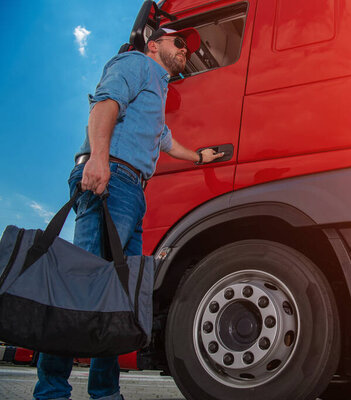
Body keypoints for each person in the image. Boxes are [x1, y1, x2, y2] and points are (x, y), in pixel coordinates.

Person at [33, 27, 223, 400]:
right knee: (82, 285)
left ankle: (105, 392)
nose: (186, 50)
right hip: (112, 179)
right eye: (179, 43)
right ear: (154, 46)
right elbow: (105, 104)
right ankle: (51, 390)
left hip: (131, 191)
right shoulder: (135, 63)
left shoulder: (157, 88)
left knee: (120, 296)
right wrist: (99, 161)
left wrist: (200, 157)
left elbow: (165, 140)